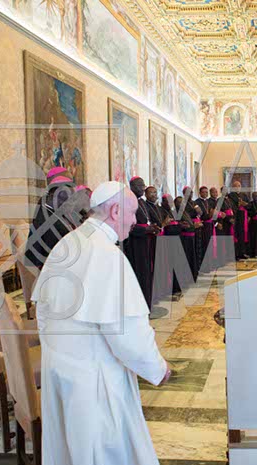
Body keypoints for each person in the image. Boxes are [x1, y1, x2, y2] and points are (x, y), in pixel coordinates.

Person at [33, 181, 171, 465]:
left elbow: (42, 310)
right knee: (102, 451)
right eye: (132, 213)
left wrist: (57, 355)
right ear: (116, 211)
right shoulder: (108, 256)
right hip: (93, 378)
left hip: (61, 369)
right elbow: (127, 334)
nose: (134, 221)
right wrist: (159, 369)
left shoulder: (68, 242)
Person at [25, 174, 78, 269]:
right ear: (54, 196)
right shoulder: (48, 221)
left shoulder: (52, 211)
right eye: (67, 199)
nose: (71, 204)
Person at [124, 177, 159, 309]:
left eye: (143, 185)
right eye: (140, 185)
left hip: (146, 241)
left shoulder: (141, 202)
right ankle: (140, 306)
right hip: (135, 244)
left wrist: (152, 227)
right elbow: (127, 225)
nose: (143, 188)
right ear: (132, 186)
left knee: (147, 272)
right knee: (140, 273)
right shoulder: (127, 202)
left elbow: (146, 220)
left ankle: (147, 302)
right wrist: (145, 229)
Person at [228, 181, 250, 260]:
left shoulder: (244, 195)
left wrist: (245, 204)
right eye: (236, 186)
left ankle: (242, 253)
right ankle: (236, 254)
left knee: (242, 235)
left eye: (239, 185)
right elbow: (230, 206)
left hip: (243, 217)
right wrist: (238, 205)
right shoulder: (230, 195)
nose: (238, 187)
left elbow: (249, 205)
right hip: (235, 217)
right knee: (236, 235)